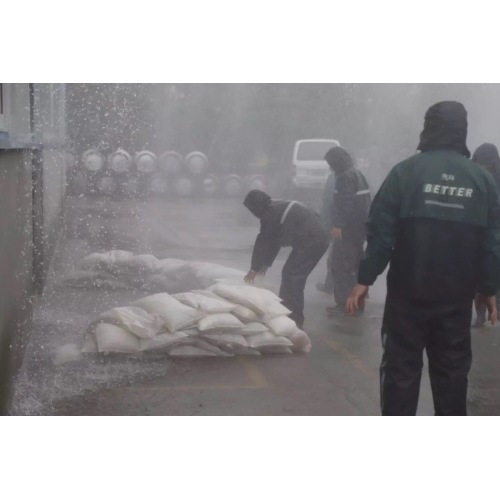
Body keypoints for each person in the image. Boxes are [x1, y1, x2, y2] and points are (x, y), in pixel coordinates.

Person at [346, 101, 500, 416]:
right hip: (455, 301)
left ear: (428, 127)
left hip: (407, 297)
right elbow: (492, 243)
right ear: (462, 130)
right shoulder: (482, 182)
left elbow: (380, 234)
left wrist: (365, 278)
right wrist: (488, 289)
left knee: (400, 373)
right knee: (452, 376)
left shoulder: (405, 173)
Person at [243, 189, 329, 328]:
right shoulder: (274, 207)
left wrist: (254, 268)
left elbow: (264, 241)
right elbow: (274, 241)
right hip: (315, 237)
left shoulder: (270, 215)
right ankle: (288, 310)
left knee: (292, 275)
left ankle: (293, 318)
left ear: (256, 207)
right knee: (291, 274)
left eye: (252, 210)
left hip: (313, 240)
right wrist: (265, 265)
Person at [325, 146, 371, 313]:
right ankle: (356, 304)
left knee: (342, 267)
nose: (329, 167)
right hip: (359, 228)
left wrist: (338, 225)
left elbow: (345, 204)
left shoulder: (344, 177)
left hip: (348, 230)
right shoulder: (357, 174)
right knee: (354, 266)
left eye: (330, 163)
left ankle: (346, 304)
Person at [471, 143, 500, 327]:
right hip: (480, 235)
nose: (485, 168)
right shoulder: (474, 178)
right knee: (479, 276)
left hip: (491, 234)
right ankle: (481, 314)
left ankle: (491, 312)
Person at [316, 167, 336, 294]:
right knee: (355, 255)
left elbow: (328, 201)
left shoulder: (334, 177)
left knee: (334, 255)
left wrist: (323, 221)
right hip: (356, 224)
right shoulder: (361, 176)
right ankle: (363, 288)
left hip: (337, 223)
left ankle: (330, 285)